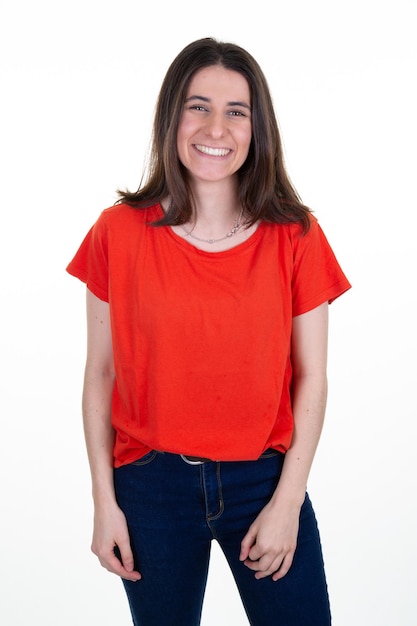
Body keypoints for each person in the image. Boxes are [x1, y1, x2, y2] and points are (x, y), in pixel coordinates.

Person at [67, 37, 351, 625]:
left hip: (264, 482)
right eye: (198, 106)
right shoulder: (116, 232)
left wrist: (288, 502)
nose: (215, 127)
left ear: (257, 128)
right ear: (172, 116)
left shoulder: (295, 236)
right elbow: (100, 374)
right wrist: (104, 503)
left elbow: (313, 378)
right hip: (149, 489)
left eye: (236, 111)